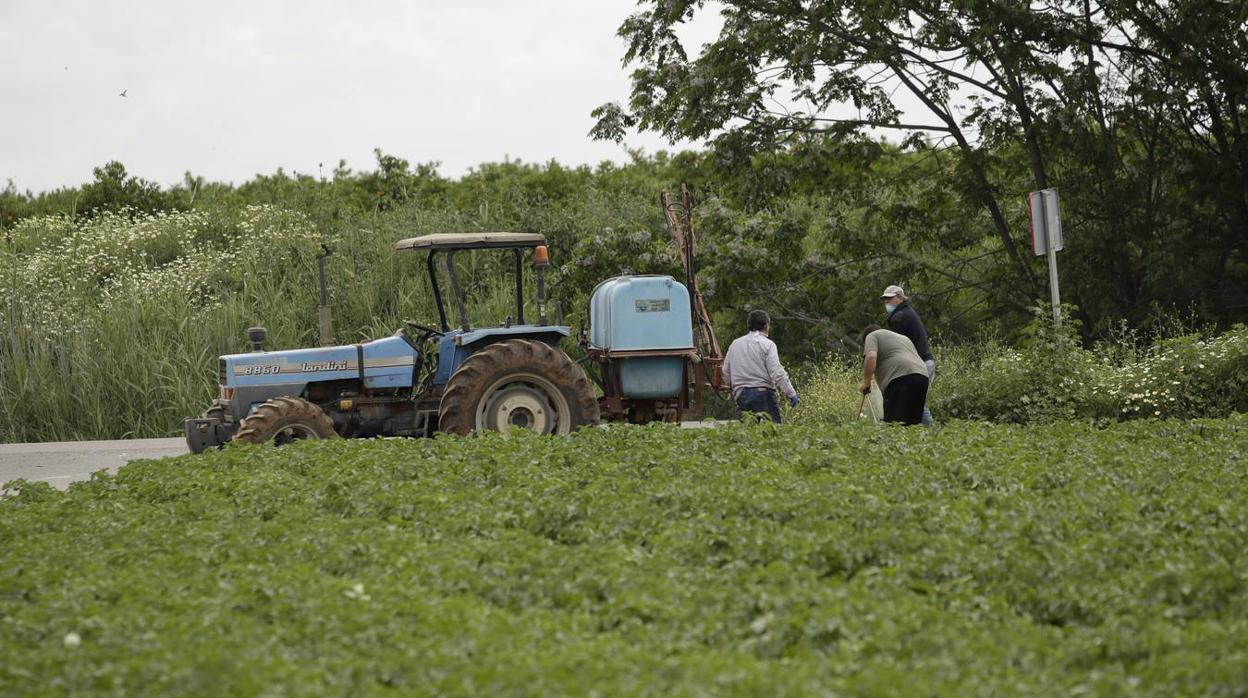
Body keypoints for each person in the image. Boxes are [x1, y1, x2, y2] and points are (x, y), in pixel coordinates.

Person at [721, 310, 798, 423]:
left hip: (741, 395)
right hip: (763, 394)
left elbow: (725, 371)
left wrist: (732, 387)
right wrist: (791, 393)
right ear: (766, 325)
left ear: (749, 325)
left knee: (749, 436)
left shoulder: (735, 344)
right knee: (772, 434)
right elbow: (777, 372)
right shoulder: (768, 344)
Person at [881, 284, 935, 425]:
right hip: (924, 363)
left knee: (914, 402)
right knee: (915, 402)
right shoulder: (907, 312)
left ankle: (931, 431)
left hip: (919, 365)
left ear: (899, 298)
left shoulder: (899, 317)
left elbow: (896, 346)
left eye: (890, 299)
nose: (886, 303)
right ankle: (922, 433)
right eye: (885, 300)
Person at [859, 324, 929, 425]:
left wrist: (866, 383)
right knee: (913, 426)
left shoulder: (871, 336)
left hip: (901, 378)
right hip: (922, 376)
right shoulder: (903, 338)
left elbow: (870, 357)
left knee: (894, 425)